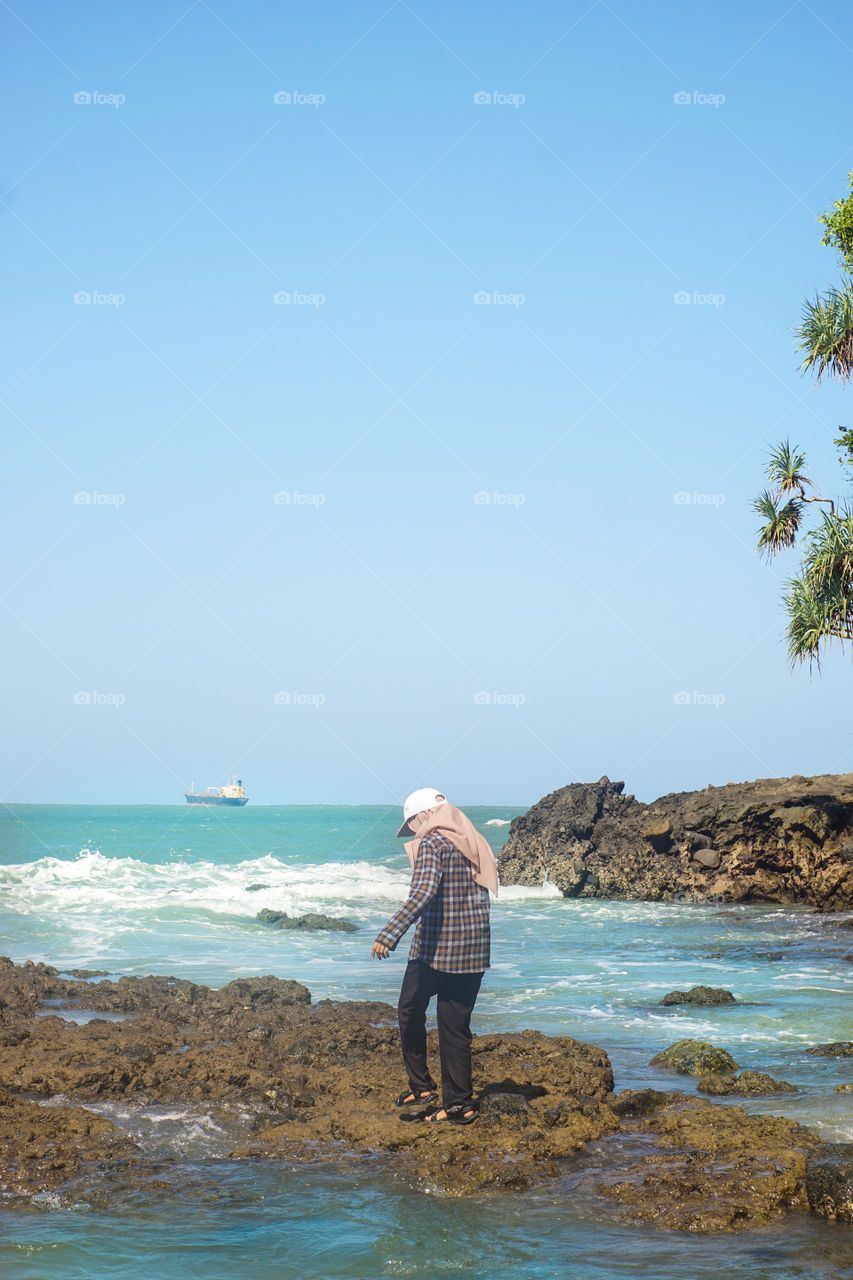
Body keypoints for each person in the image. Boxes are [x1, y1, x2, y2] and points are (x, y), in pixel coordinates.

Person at [371, 787, 498, 1125]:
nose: (412, 830)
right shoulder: (470, 838)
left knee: (410, 1012)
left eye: (411, 822)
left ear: (424, 815)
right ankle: (442, 1096)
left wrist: (389, 933)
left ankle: (442, 1096)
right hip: (472, 949)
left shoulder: (432, 843)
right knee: (453, 1027)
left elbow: (423, 892)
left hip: (436, 950)